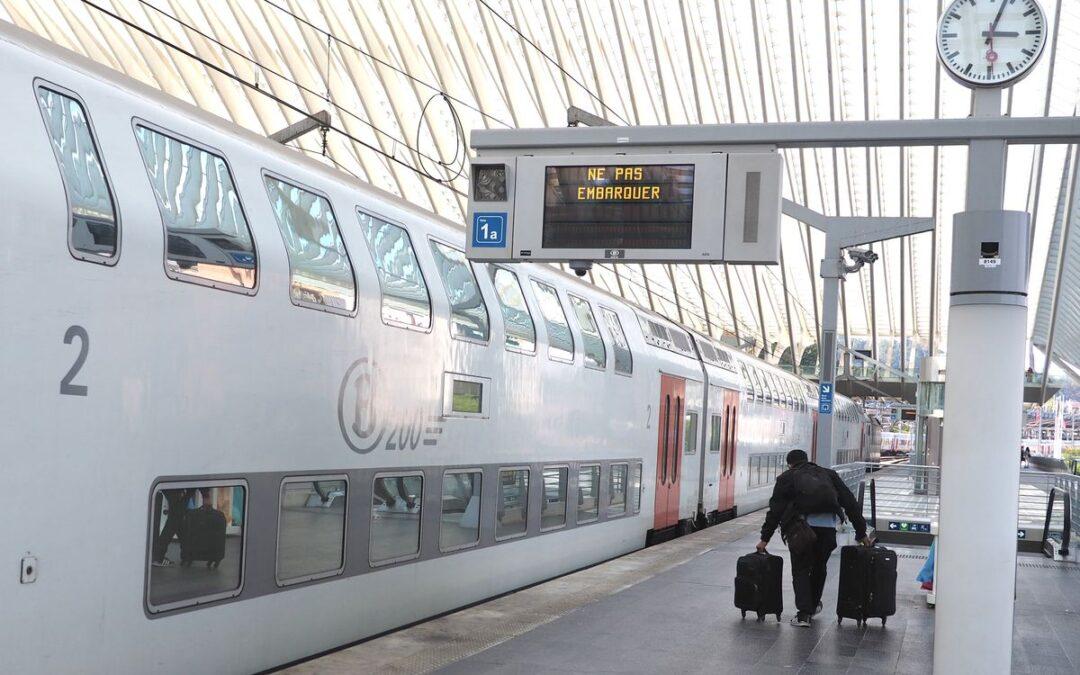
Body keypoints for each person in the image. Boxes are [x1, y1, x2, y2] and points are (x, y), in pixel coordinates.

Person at [755, 449, 869, 627]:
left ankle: (803, 615)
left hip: (801, 531)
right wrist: (861, 533)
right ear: (807, 460)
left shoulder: (787, 477)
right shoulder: (828, 474)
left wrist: (765, 539)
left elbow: (775, 511)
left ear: (790, 464)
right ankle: (813, 605)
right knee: (819, 567)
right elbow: (850, 503)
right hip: (828, 530)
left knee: (800, 569)